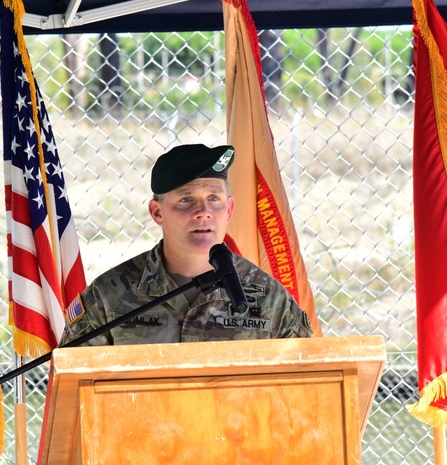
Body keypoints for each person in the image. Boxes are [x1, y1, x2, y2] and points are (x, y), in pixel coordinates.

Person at [60, 143, 313, 346]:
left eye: (214, 198)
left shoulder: (270, 299)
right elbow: (74, 389)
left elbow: (306, 386)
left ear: (229, 209)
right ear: (157, 212)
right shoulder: (110, 297)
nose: (203, 212)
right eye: (186, 200)